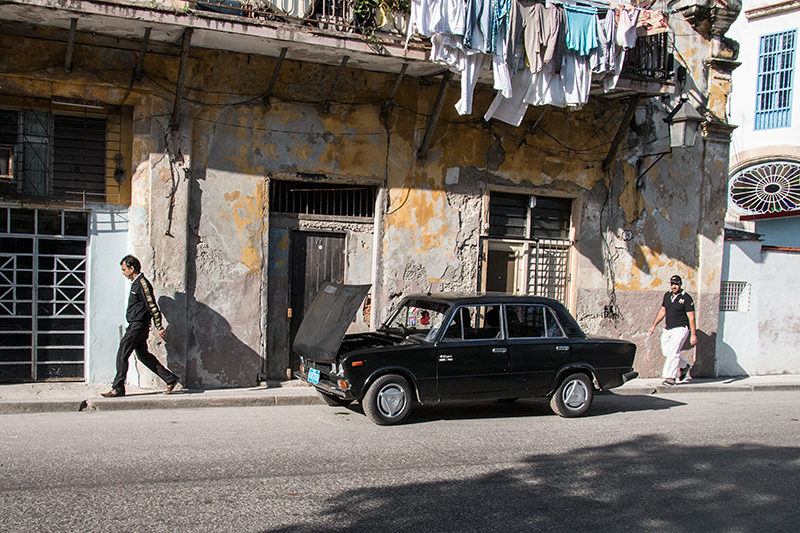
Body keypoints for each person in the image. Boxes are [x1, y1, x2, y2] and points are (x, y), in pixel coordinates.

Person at [101, 255, 179, 397]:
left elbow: (152, 306)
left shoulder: (142, 283)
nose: (123, 273)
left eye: (124, 269)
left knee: (122, 354)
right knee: (143, 355)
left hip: (138, 326)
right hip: (137, 326)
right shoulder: (136, 283)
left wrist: (159, 326)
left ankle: (118, 388)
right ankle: (170, 378)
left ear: (132, 268)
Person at [648, 275, 696, 386]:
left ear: (680, 284)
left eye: (676, 284)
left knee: (674, 352)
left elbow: (691, 317)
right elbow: (662, 311)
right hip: (668, 328)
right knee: (667, 352)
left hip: (681, 328)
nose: (674, 286)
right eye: (672, 284)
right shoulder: (667, 295)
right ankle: (684, 366)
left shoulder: (686, 298)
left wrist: (693, 334)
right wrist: (654, 325)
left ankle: (670, 378)